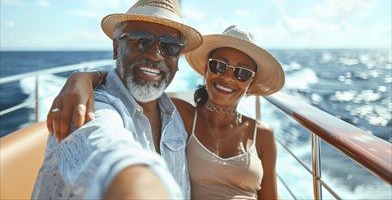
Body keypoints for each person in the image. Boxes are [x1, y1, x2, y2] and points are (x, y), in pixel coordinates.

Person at [49, 25, 285, 199]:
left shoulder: (262, 134)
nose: (227, 77)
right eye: (219, 66)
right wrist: (83, 78)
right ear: (206, 69)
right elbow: (134, 84)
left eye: (241, 73)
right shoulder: (180, 114)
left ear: (250, 84)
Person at [32, 0, 202, 199]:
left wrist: (89, 76)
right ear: (115, 48)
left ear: (178, 59)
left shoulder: (175, 116)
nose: (156, 55)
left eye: (170, 46)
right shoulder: (88, 107)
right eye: (141, 40)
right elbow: (109, 155)